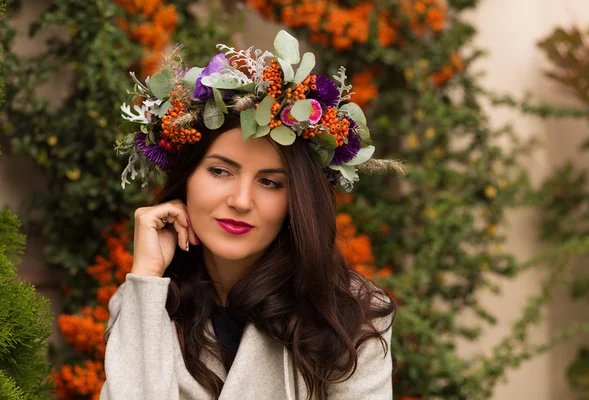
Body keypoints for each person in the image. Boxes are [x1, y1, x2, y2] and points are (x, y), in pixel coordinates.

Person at [101, 30, 403, 400]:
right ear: (186, 181)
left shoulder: (349, 315)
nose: (241, 201)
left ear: (298, 202)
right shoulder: (144, 303)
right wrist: (147, 276)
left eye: (270, 183)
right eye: (220, 171)